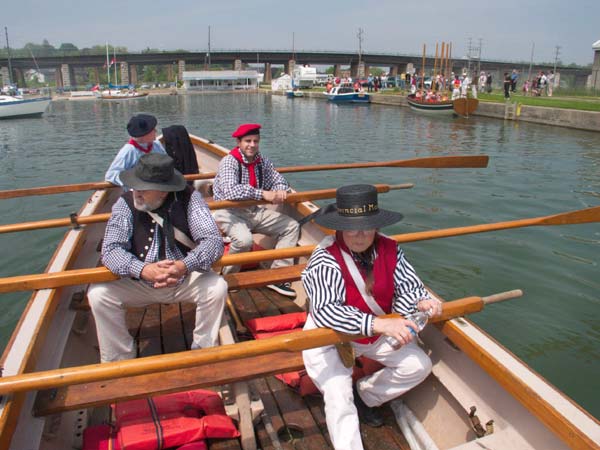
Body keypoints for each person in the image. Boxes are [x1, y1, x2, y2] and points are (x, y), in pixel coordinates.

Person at [301, 184, 442, 450]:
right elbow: (326, 311)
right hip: (330, 335)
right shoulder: (324, 258)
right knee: (338, 396)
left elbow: (408, 286)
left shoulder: (390, 248)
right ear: (339, 226)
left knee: (418, 366)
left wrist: (422, 301)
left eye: (368, 226)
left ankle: (367, 394)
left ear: (377, 225)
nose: (360, 234)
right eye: (353, 227)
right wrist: (379, 324)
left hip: (374, 330)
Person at [88, 153, 227, 363]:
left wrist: (183, 265)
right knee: (98, 295)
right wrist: (143, 270)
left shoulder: (190, 199)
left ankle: (203, 350)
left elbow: (213, 241)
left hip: (183, 279)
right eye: (135, 186)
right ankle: (120, 358)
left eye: (143, 188)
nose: (136, 192)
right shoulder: (124, 204)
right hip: (140, 283)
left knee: (217, 288)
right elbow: (111, 249)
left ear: (164, 191)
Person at [212, 123, 300, 298]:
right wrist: (263, 193)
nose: (252, 145)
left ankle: (278, 276)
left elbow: (279, 179)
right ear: (238, 142)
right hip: (228, 210)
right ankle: (229, 277)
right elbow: (231, 191)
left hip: (253, 210)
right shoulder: (229, 162)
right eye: (248, 141)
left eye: (256, 141)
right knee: (245, 241)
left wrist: (281, 189)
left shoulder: (262, 161)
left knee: (291, 226)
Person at [105, 113, 167, 187]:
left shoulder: (156, 145)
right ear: (145, 134)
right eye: (153, 130)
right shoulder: (128, 151)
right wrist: (135, 180)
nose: (156, 131)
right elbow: (111, 175)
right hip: (138, 191)